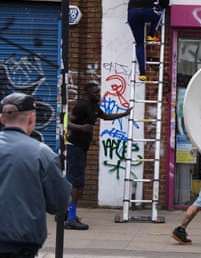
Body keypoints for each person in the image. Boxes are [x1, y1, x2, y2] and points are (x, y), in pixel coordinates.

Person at [0, 93, 71, 257]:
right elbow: (58, 203)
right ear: (31, 118)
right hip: (19, 244)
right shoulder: (41, 154)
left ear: (2, 119)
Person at [65, 81, 132, 230]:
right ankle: (70, 219)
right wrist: (81, 128)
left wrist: (124, 114)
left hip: (82, 148)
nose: (98, 94)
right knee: (76, 183)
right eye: (95, 92)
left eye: (98, 92)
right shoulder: (82, 106)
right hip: (75, 147)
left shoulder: (94, 106)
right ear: (87, 93)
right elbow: (67, 123)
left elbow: (105, 116)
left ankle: (66, 213)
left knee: (72, 182)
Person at [127, 0, 170, 82]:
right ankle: (151, 34)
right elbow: (165, 2)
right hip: (146, 11)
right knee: (160, 9)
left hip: (132, 13)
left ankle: (142, 74)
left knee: (139, 44)